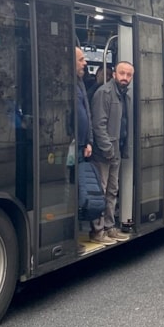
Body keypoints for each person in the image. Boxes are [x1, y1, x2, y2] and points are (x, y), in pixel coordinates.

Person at [90, 61, 134, 244]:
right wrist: (108, 149)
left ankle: (109, 227)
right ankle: (97, 231)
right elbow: (98, 125)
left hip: (116, 151)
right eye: (122, 73)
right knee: (100, 192)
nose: (125, 78)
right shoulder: (104, 93)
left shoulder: (126, 96)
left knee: (112, 191)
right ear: (114, 74)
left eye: (129, 75)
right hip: (104, 153)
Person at [73, 47, 96, 252]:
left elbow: (86, 113)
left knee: (78, 191)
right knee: (70, 192)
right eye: (81, 60)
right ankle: (70, 238)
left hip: (81, 147)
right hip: (69, 147)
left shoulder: (79, 83)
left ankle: (73, 235)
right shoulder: (63, 83)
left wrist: (89, 141)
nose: (85, 63)